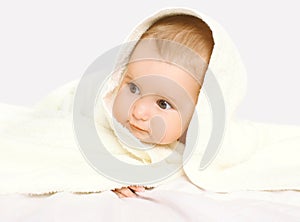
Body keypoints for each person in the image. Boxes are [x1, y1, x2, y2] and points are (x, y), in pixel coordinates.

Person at [110, 14, 214, 198]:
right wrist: (103, 179)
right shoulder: (97, 123)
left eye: (163, 104)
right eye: (133, 88)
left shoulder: (199, 152)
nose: (139, 111)